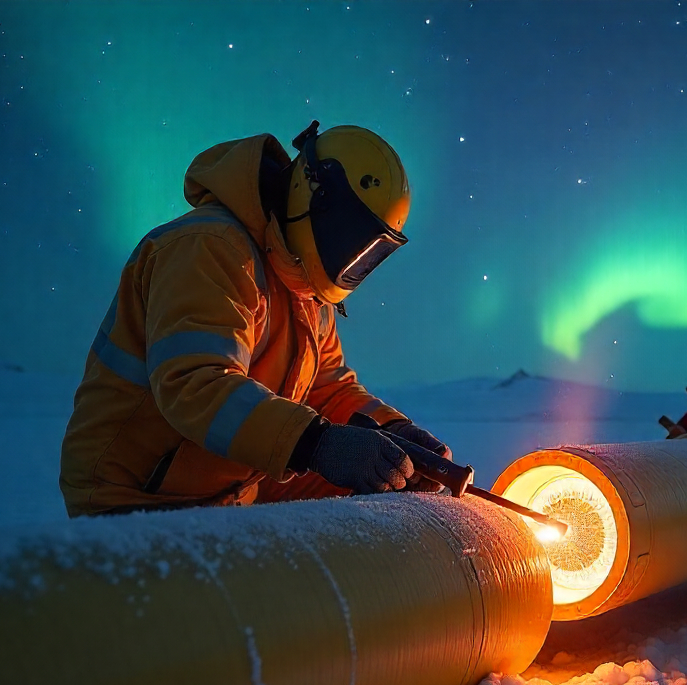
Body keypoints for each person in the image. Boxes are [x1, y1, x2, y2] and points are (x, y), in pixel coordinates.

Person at [60, 121, 449, 516]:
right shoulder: (209, 248)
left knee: (384, 491)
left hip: (232, 493)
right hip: (139, 499)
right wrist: (317, 445)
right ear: (315, 196)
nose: (354, 259)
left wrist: (393, 432)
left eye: (370, 252)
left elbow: (327, 390)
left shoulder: (304, 289)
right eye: (352, 238)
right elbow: (196, 384)